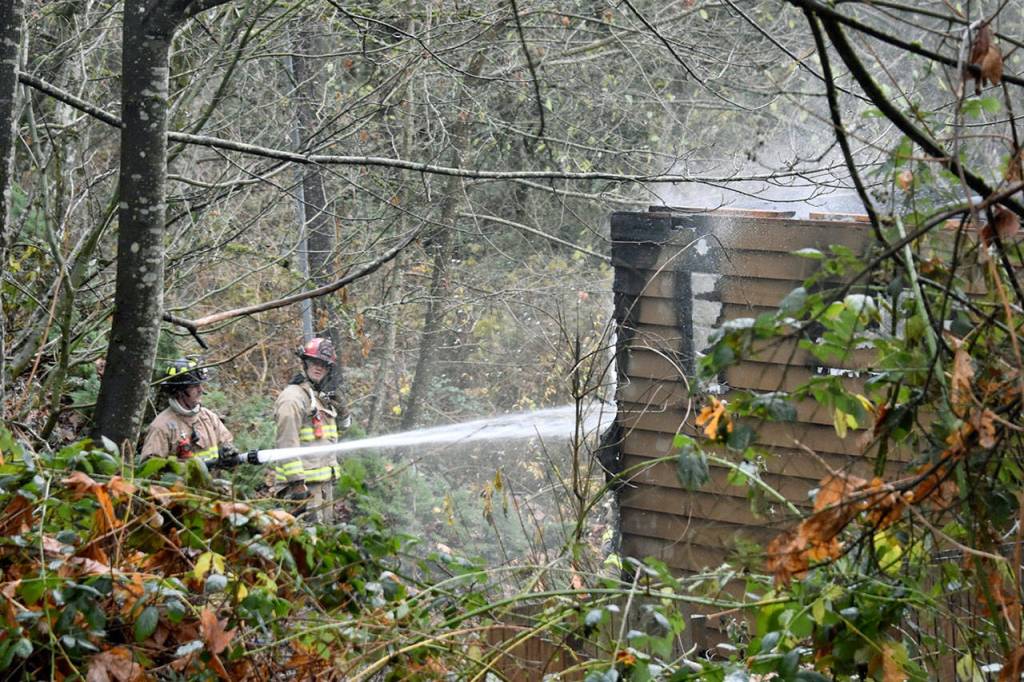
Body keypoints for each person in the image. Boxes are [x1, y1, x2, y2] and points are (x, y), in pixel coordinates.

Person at [272, 337, 351, 523]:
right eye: (314, 362)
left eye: (324, 364)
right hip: (301, 488)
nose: (318, 367)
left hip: (322, 487)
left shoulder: (319, 398)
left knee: (322, 544)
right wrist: (298, 487)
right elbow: (286, 444)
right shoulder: (293, 398)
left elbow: (331, 436)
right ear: (305, 363)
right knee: (303, 545)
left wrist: (343, 411)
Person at [141, 357, 235, 464]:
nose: (201, 390)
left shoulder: (209, 418)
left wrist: (229, 454)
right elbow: (149, 469)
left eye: (200, 384)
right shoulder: (161, 427)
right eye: (195, 386)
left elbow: (227, 444)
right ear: (179, 391)